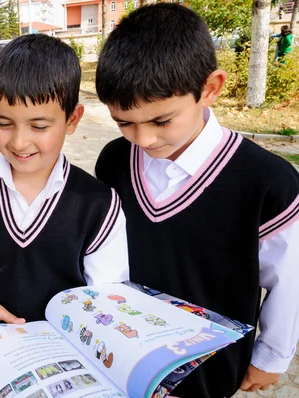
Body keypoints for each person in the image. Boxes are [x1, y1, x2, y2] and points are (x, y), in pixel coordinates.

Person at [94, 4, 299, 398]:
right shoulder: (114, 160)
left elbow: (288, 280)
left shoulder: (267, 182)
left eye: (161, 121)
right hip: (122, 356)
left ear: (209, 88)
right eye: (124, 122)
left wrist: (270, 356)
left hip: (209, 370)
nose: (143, 139)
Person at [0, 34, 129, 367]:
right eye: (4, 123)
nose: (19, 141)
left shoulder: (99, 205)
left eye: (39, 125)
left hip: (75, 365)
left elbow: (107, 299)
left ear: (72, 119)